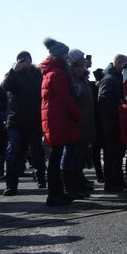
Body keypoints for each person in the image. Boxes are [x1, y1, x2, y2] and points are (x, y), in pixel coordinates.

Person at [40, 38, 82, 206]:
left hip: (54, 118)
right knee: (56, 157)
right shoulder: (57, 74)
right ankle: (55, 193)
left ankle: (57, 192)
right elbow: (65, 98)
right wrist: (77, 115)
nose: (67, 57)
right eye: (65, 53)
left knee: (56, 156)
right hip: (58, 118)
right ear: (59, 55)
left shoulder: (50, 72)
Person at [1, 51, 46, 195]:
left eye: (27, 60)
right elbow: (5, 86)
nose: (25, 63)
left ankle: (41, 178)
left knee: (37, 152)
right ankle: (11, 185)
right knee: (12, 152)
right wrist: (14, 71)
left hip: (33, 119)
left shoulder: (37, 74)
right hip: (16, 120)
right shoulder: (13, 75)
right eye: (22, 60)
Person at [98, 54, 127, 192]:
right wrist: (119, 109)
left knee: (116, 154)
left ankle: (116, 181)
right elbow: (104, 100)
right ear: (118, 63)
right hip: (111, 124)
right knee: (112, 155)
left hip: (113, 122)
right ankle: (112, 182)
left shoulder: (112, 77)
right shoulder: (110, 79)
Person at [68, 49, 97, 196]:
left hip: (85, 120)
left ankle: (79, 182)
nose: (84, 60)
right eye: (81, 58)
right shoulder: (72, 78)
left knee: (80, 155)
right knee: (74, 155)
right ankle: (74, 185)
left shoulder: (82, 76)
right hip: (78, 122)